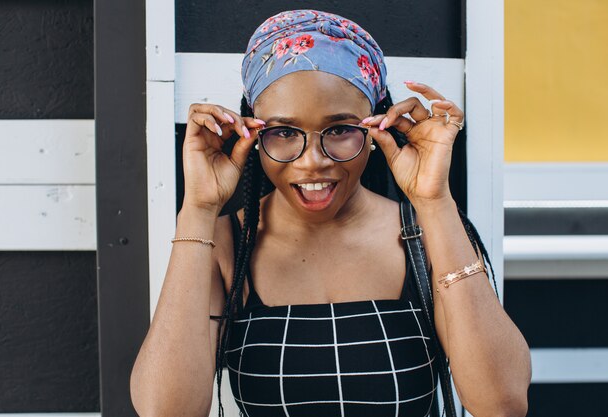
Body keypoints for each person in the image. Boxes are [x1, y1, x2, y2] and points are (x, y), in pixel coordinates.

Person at [130, 9, 531, 417]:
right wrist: (198, 209)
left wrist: (434, 202)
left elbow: (503, 405)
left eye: (339, 130)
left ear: (376, 128)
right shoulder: (228, 244)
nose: (312, 162)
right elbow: (164, 411)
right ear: (252, 132)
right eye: (284, 133)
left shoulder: (427, 236)